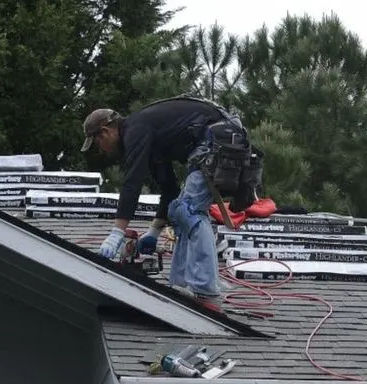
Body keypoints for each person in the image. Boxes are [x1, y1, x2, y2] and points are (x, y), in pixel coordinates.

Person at [80, 96, 258, 310]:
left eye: (98, 143)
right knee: (178, 209)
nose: (102, 150)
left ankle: (204, 290)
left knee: (189, 210)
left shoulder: (134, 129)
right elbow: (169, 189)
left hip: (218, 139)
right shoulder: (150, 135)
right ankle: (180, 285)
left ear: (105, 131)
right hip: (218, 140)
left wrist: (117, 232)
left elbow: (132, 183)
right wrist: (154, 232)